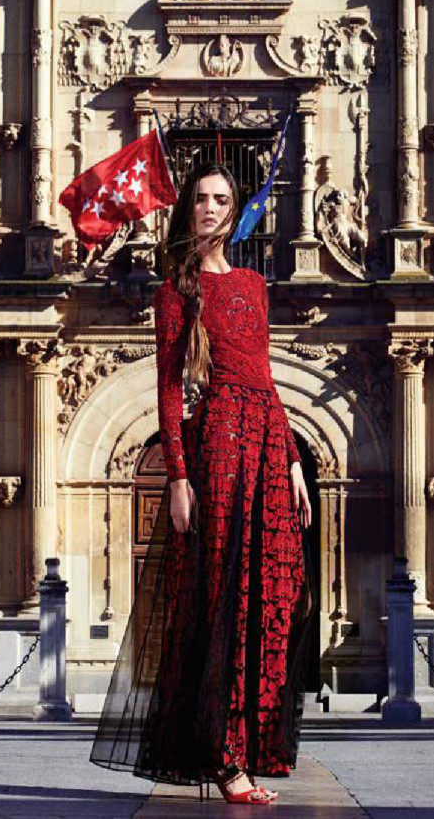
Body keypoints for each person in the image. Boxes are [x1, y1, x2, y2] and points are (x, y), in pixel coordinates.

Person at [90, 161, 316, 805]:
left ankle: (256, 741)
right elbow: (168, 387)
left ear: (236, 209)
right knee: (222, 594)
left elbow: (266, 377)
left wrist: (295, 459)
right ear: (187, 210)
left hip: (268, 442)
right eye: (202, 199)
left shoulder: (252, 283)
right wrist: (179, 478)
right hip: (214, 441)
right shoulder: (175, 290)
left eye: (222, 199)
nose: (212, 208)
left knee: (277, 588)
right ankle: (225, 758)